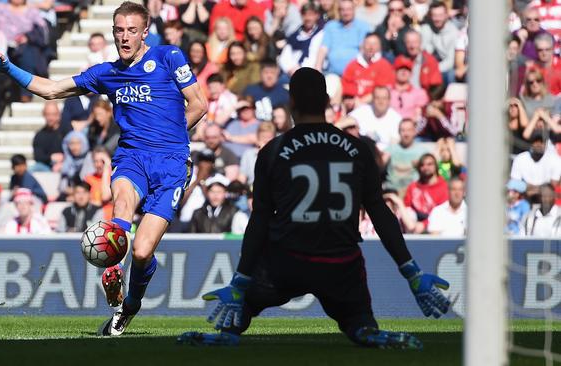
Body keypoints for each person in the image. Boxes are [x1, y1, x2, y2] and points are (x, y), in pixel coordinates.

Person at [0, 1, 207, 336]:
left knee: (143, 253)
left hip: (172, 163)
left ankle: (129, 306)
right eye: (119, 30)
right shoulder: (107, 73)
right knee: (123, 202)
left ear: (145, 32)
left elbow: (199, 104)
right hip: (132, 156)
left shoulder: (168, 57)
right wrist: (7, 67)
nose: (125, 37)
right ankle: (112, 263)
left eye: (132, 30)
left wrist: (171, 135)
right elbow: (53, 89)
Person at [177, 67, 449, 347]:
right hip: (340, 263)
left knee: (243, 306)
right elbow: (380, 213)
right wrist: (411, 273)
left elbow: (259, 221)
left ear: (291, 103)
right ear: (328, 102)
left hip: (286, 259)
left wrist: (241, 280)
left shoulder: (273, 150)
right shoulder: (357, 149)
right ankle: (366, 331)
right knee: (359, 323)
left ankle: (228, 334)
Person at [315, 0, 371, 77]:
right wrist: (317, 70)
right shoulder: (330, 26)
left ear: (354, 10)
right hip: (333, 74)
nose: (346, 13)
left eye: (349, 9)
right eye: (343, 10)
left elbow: (364, 50)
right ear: (339, 11)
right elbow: (323, 49)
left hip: (356, 74)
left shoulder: (363, 27)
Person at [341, 33, 395, 103]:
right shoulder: (353, 64)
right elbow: (346, 84)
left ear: (380, 47)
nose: (371, 47)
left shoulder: (384, 65)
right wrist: (350, 99)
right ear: (363, 45)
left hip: (374, 105)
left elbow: (382, 90)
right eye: (368, 43)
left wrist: (361, 102)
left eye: (374, 44)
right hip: (353, 101)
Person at [384, 118, 430, 196]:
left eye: (409, 130)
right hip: (391, 192)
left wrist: (421, 165)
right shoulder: (390, 149)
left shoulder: (423, 152)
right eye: (403, 130)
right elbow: (378, 165)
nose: (406, 134)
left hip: (414, 193)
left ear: (414, 132)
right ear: (399, 132)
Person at [277, 2, 324, 77]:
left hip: (311, 74)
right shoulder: (294, 35)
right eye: (305, 15)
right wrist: (290, 69)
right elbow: (284, 56)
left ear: (317, 16)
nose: (308, 18)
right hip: (292, 73)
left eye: (311, 15)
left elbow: (315, 58)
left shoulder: (321, 34)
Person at [349, 86, 402, 151]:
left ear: (389, 100)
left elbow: (396, 145)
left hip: (384, 155)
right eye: (377, 98)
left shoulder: (396, 119)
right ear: (373, 99)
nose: (381, 101)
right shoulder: (362, 111)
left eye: (384, 98)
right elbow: (345, 121)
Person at [403, 153, 449, 227]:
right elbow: (406, 207)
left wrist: (424, 224)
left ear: (436, 166)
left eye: (429, 164)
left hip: (436, 225)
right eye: (422, 165)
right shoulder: (413, 187)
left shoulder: (444, 187)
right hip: (414, 225)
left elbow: (444, 213)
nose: (425, 167)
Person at [419, 1, 459, 84]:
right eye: (435, 16)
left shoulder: (453, 33)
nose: (437, 19)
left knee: (450, 74)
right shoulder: (426, 28)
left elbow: (450, 62)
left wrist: (433, 69)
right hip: (431, 64)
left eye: (440, 15)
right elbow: (423, 52)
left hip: (447, 67)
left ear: (446, 15)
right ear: (430, 16)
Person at [390, 55, 429, 120]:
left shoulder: (420, 93)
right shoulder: (387, 91)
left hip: (411, 127)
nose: (404, 72)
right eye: (400, 68)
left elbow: (419, 116)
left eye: (407, 69)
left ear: (411, 73)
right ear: (394, 72)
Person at [238, 121, 276, 186]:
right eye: (263, 137)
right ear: (258, 138)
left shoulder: (279, 154)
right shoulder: (248, 154)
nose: (266, 140)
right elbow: (242, 177)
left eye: (269, 137)